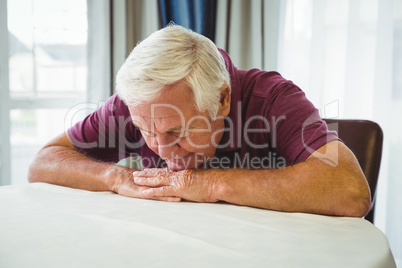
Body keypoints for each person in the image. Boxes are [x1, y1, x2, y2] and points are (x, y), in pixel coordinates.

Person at [28, 25, 371, 217]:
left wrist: (205, 184)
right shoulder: (141, 102)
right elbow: (43, 163)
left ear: (222, 99)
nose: (161, 149)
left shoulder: (273, 97)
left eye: (176, 131)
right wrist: (116, 177)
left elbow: (350, 190)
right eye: (146, 131)